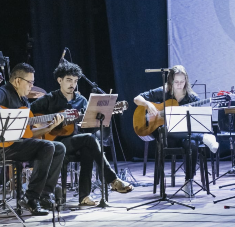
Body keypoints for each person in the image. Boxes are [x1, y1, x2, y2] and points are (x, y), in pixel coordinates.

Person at [30, 61, 133, 206]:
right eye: (68, 80)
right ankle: (112, 179)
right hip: (54, 143)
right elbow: (28, 113)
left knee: (88, 146)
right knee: (88, 141)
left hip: (76, 141)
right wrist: (46, 125)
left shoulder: (82, 101)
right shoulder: (49, 99)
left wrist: (98, 120)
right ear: (60, 80)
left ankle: (84, 197)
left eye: (75, 81)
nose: (72, 84)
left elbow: (87, 129)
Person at [0, 63, 66, 216]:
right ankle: (31, 198)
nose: (32, 86)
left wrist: (50, 127)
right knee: (47, 146)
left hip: (19, 144)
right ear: (17, 81)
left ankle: (44, 195)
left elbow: (29, 133)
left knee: (58, 147)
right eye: (29, 82)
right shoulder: (3, 92)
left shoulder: (24, 101)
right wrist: (9, 118)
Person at [134, 65, 219, 193]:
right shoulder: (163, 92)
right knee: (166, 129)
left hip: (185, 136)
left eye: (182, 81)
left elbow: (199, 122)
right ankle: (204, 138)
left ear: (186, 81)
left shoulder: (192, 98)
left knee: (192, 143)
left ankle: (188, 182)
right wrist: (147, 104)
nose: (180, 85)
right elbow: (137, 98)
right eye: (176, 82)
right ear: (170, 82)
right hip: (166, 137)